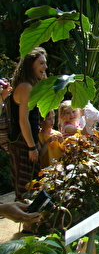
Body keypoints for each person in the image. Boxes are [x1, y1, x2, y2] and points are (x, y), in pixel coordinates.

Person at [8, 47, 48, 199]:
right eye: (41, 63)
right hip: (21, 142)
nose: (45, 67)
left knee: (34, 184)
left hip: (29, 141)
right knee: (25, 186)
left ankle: (32, 220)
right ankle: (26, 219)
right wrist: (32, 146)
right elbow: (23, 120)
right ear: (31, 64)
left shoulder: (33, 86)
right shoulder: (25, 87)